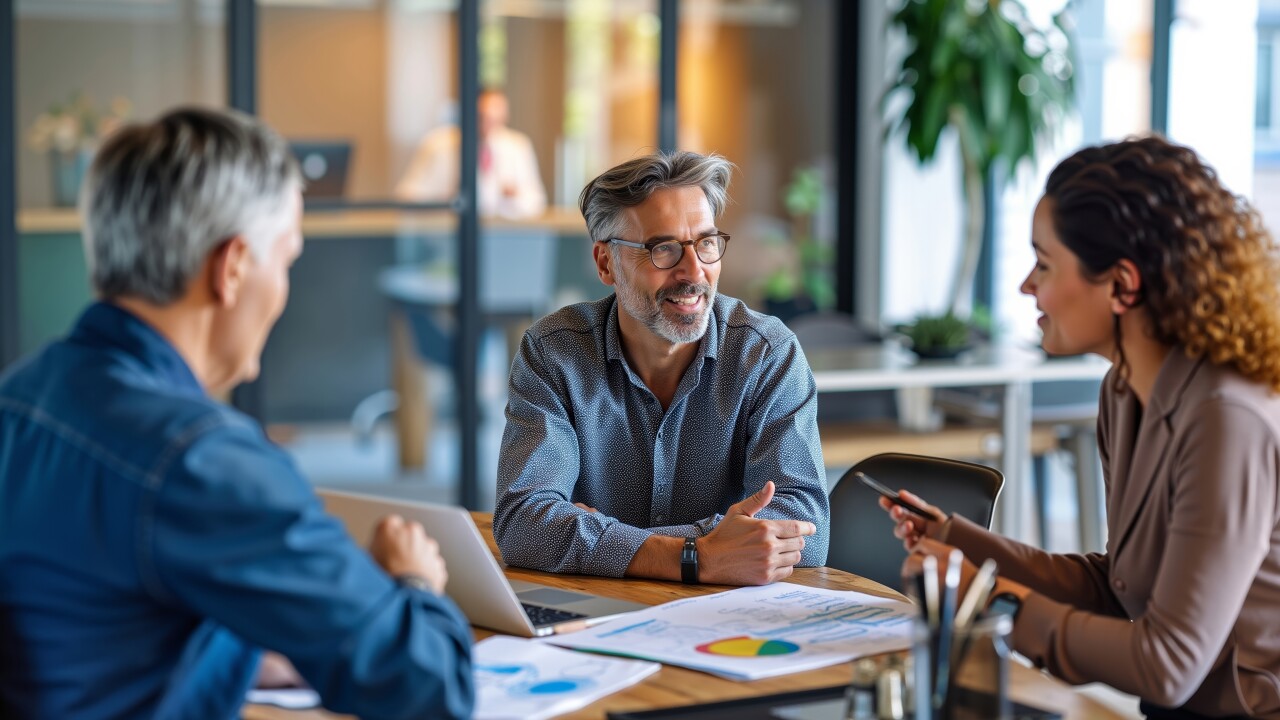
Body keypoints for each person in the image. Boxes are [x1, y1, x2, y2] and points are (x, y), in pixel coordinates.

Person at [0, 107, 474, 719]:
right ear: (232, 268)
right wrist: (414, 586)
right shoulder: (202, 459)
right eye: (287, 260)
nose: (285, 287)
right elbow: (429, 685)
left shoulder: (19, 398)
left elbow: (89, 619)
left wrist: (249, 651)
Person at [881, 136, 1280, 719]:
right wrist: (961, 542)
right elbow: (1119, 589)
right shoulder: (1124, 392)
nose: (1026, 286)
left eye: (1044, 263)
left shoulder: (1227, 418)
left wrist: (988, 598)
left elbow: (1167, 663)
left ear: (1121, 284)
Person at [493, 151, 829, 586]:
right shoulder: (554, 353)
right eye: (663, 249)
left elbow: (804, 528)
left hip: (722, 620)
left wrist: (599, 540)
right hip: (598, 621)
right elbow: (523, 523)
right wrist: (697, 556)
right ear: (605, 263)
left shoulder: (766, 353)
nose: (694, 272)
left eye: (706, 243)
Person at [396, 89, 547, 219]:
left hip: (502, 238)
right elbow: (406, 198)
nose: (489, 124)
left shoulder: (518, 146)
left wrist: (513, 197)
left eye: (496, 118)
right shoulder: (438, 145)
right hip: (447, 239)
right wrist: (444, 202)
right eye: (483, 117)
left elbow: (537, 202)